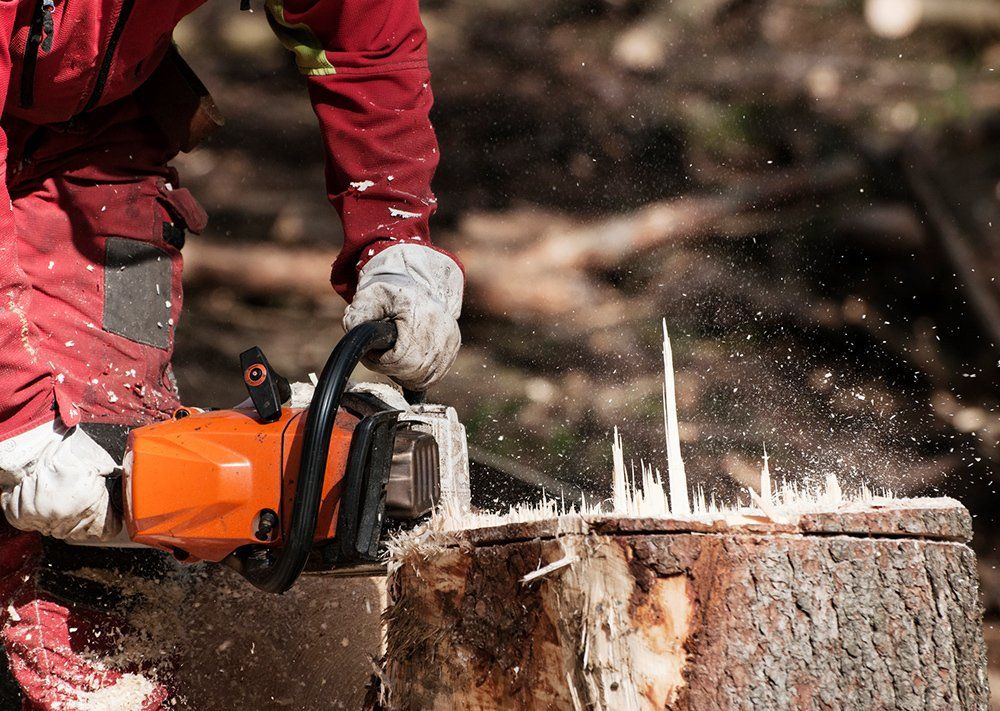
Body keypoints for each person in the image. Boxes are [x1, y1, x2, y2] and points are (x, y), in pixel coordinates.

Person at [0, 0, 463, 706]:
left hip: (94, 143)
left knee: (114, 498)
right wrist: (17, 417)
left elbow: (361, 27)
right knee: (30, 447)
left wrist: (393, 231)